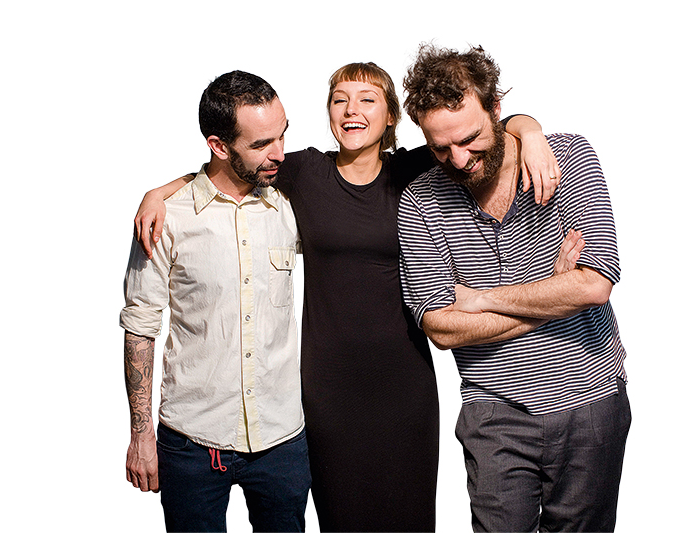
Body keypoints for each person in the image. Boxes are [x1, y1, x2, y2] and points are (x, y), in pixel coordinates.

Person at [135, 62, 561, 532]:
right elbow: (231, 167)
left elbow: (488, 128)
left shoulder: (414, 170)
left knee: (410, 519)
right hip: (327, 389)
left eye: (367, 99)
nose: (351, 109)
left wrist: (532, 132)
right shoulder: (303, 171)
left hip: (404, 386)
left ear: (391, 115)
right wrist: (158, 193)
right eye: (340, 99)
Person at [397, 44, 631, 533]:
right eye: (440, 148)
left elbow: (594, 284)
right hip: (493, 412)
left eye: (470, 139)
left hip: (590, 399)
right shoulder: (420, 200)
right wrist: (556, 293)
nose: (459, 159)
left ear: (496, 109)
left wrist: (481, 299)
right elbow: (441, 328)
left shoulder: (567, 158)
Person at [120, 71, 310, 533]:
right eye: (262, 143)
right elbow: (141, 326)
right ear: (219, 145)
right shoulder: (166, 218)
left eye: (283, 135)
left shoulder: (292, 202)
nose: (280, 153)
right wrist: (140, 435)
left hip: (282, 440)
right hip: (192, 441)